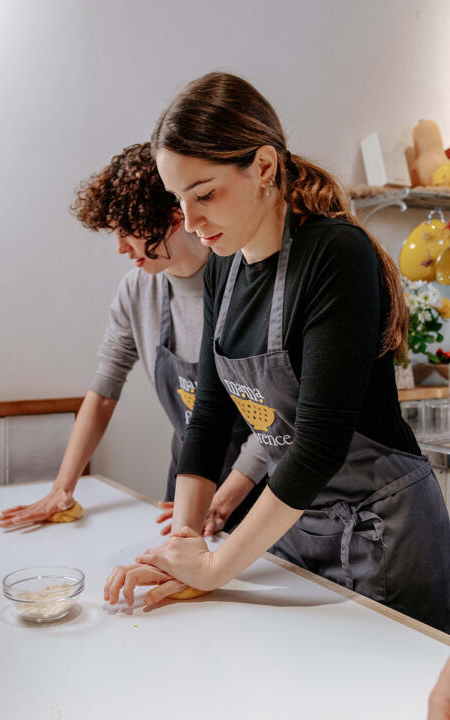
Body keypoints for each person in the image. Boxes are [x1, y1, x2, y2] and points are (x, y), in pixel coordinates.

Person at [104, 73, 450, 633]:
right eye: (178, 200)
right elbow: (211, 417)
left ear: (264, 167)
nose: (190, 222)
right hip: (295, 528)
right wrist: (186, 544)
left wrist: (215, 566)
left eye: (206, 193)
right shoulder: (225, 265)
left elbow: (317, 444)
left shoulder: (335, 253)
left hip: (382, 533)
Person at [0, 143, 266, 530]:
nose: (121, 247)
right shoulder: (137, 291)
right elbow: (103, 393)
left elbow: (277, 419)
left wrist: (222, 502)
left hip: (261, 485)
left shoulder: (244, 282)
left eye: (128, 232)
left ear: (174, 217)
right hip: (188, 481)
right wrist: (62, 488)